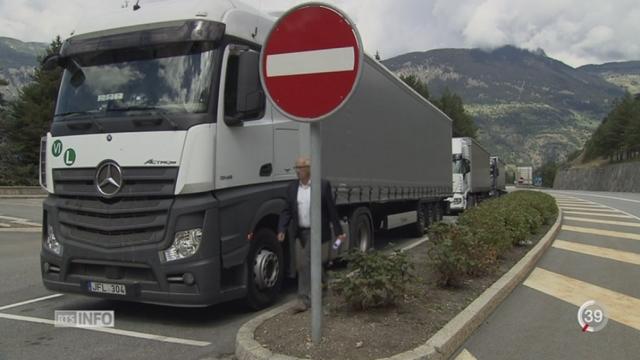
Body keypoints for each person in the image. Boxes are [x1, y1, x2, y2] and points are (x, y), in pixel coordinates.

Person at [277, 157, 346, 313]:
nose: (297, 171)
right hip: (301, 232)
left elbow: (331, 210)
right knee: (312, 262)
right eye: (296, 167)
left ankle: (303, 300)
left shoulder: (322, 185)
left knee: (304, 263)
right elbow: (287, 210)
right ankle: (325, 283)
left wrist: (339, 232)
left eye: (300, 168)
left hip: (317, 232)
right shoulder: (292, 188)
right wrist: (281, 229)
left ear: (309, 169)